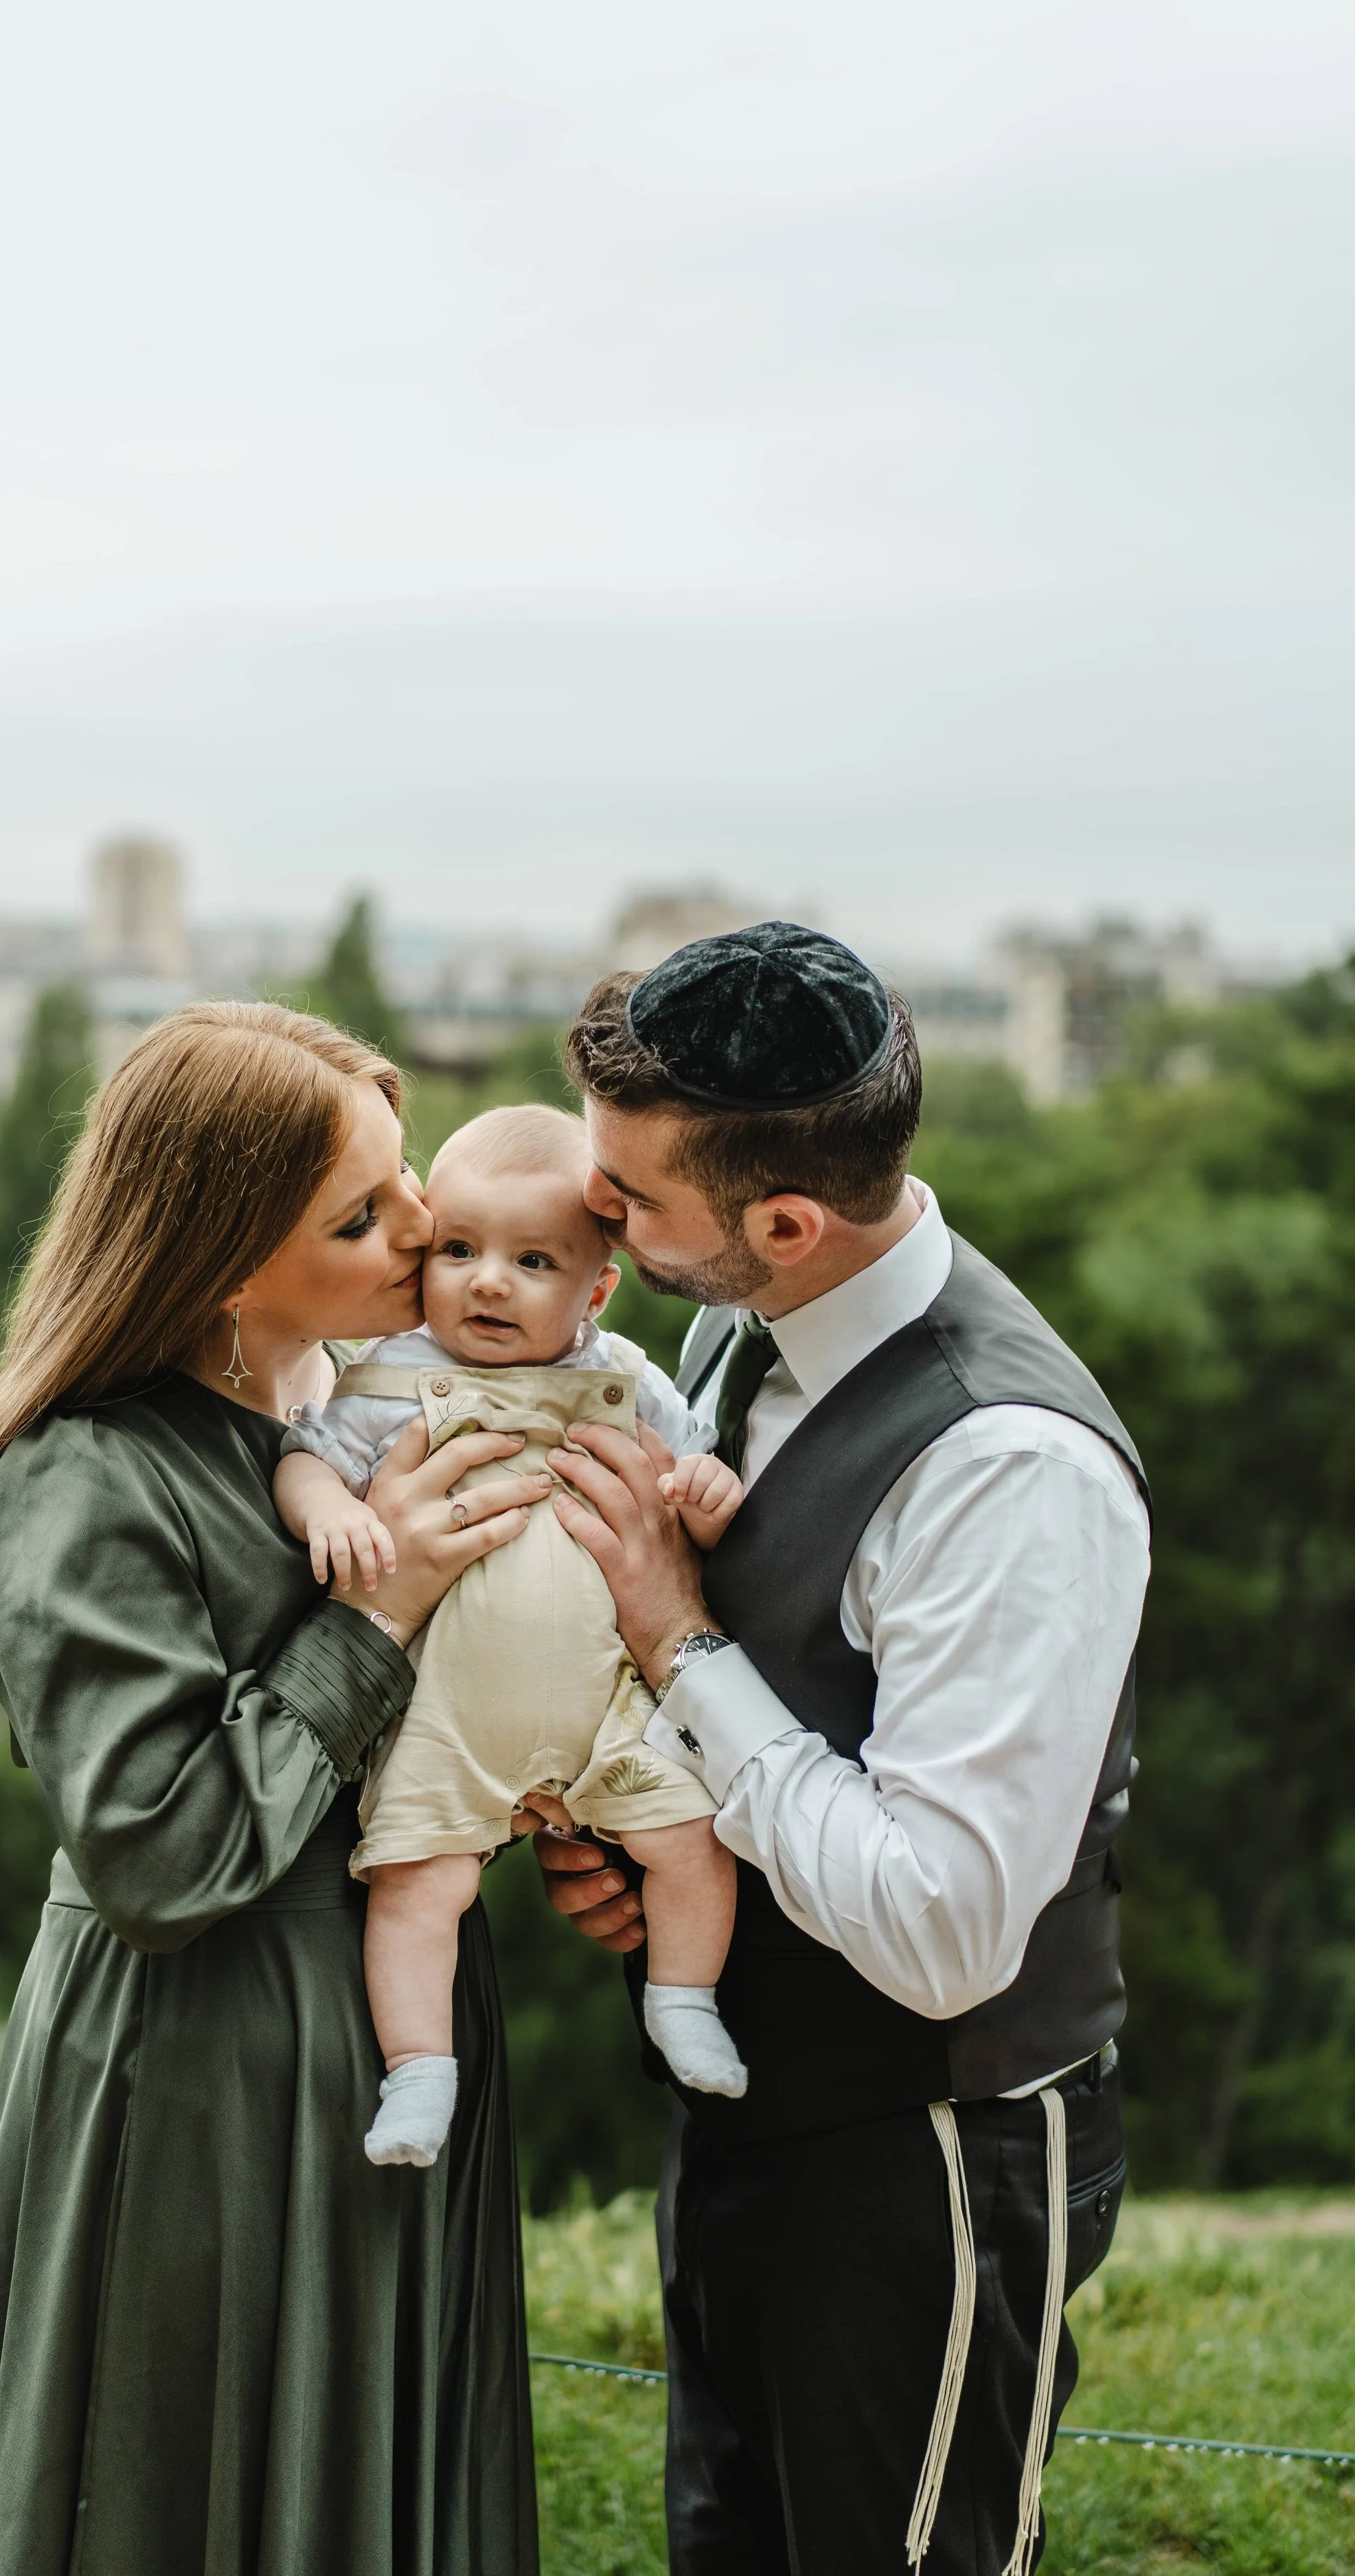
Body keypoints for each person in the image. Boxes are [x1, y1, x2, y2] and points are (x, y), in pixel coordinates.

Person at [0, 1002, 544, 2576]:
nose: (424, 1230)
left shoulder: (360, 1415)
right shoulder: (86, 1474)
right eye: (361, 1216)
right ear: (226, 1257)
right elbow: (161, 1855)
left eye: (404, 1187)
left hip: (390, 2035)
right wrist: (371, 1620)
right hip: (203, 2075)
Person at [535, 923, 1150, 2576]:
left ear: (785, 1222)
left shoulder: (1007, 1469)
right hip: (756, 2109)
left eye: (631, 1200)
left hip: (924, 2152)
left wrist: (678, 1638)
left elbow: (944, 1930)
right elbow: (794, 1730)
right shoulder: (744, 1329)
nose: (598, 1220)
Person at [275, 1103, 748, 2169]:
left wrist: (709, 1497)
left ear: (597, 1286)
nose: (487, 1280)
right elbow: (302, 1456)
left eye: (532, 1259)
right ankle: (418, 2076)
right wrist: (328, 1511)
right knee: (414, 1887)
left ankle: (683, 2001)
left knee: (689, 1839)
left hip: (610, 1710)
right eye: (458, 1249)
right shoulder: (389, 1376)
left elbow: (693, 1480)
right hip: (449, 1713)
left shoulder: (628, 1378)